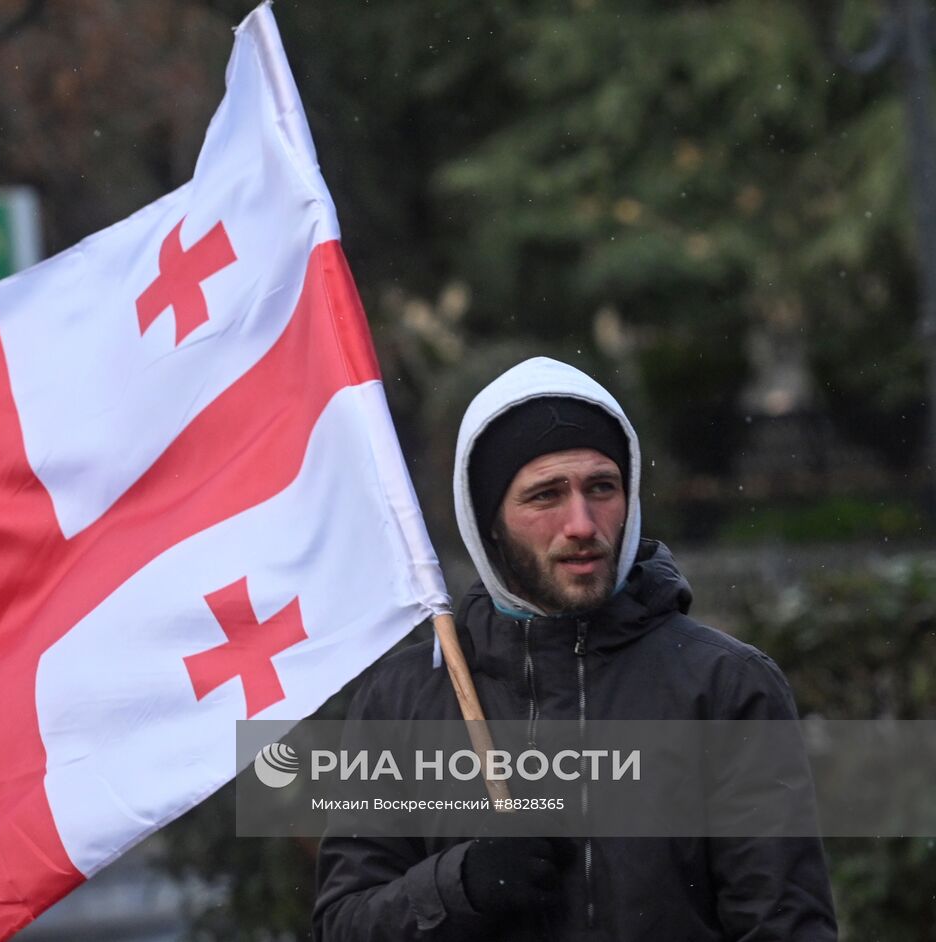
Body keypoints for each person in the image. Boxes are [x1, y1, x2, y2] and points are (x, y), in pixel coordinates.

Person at [312, 357, 837, 941]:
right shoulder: (403, 700)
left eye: (602, 488)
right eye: (545, 496)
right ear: (489, 523)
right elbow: (343, 925)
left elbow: (785, 926)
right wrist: (462, 886)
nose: (582, 522)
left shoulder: (726, 687)